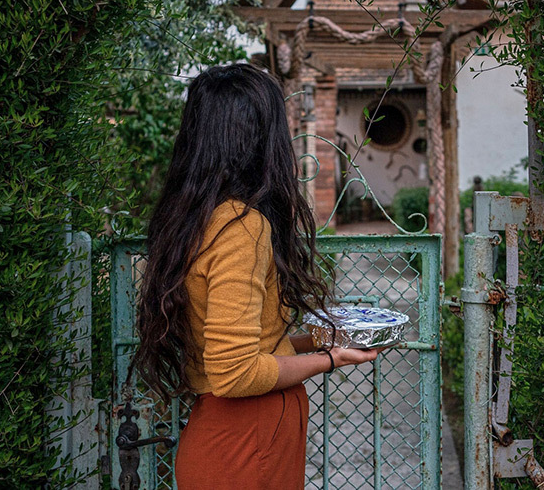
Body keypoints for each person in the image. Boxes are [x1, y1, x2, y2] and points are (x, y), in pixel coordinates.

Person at [132, 63, 383, 490]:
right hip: (246, 450)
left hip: (232, 446)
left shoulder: (196, 218)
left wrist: (320, 341)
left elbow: (241, 345)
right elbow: (236, 374)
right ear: (260, 137)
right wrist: (328, 360)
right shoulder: (240, 226)